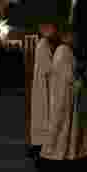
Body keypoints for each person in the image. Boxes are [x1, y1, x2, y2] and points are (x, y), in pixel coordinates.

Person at [38, 28, 87, 172]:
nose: (75, 40)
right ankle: (56, 154)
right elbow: (68, 75)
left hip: (65, 95)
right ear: (67, 37)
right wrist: (80, 81)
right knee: (62, 126)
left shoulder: (63, 50)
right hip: (64, 97)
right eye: (73, 37)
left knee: (66, 126)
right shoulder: (64, 51)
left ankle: (68, 152)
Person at [27, 23, 57, 159]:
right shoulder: (43, 45)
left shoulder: (44, 44)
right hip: (43, 85)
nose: (53, 31)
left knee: (41, 115)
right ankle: (39, 145)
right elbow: (48, 68)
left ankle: (39, 144)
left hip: (42, 85)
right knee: (42, 115)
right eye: (50, 29)